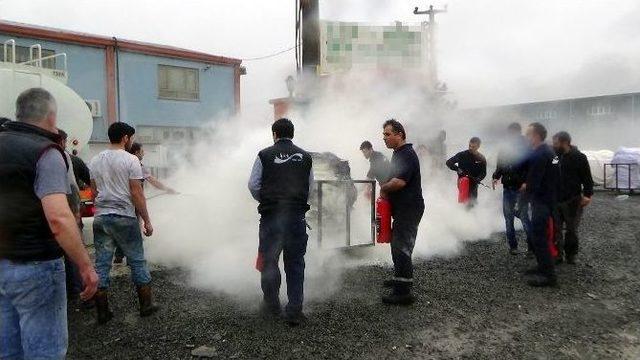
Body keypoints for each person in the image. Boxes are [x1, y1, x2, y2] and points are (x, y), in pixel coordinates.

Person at [0, 88, 98, 359]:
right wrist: (85, 267)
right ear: (51, 115)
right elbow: (58, 218)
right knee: (45, 351)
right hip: (37, 265)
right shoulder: (46, 152)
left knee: (7, 349)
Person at [89, 122, 159, 324]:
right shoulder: (131, 160)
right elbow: (137, 193)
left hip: (101, 217)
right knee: (137, 260)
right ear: (126, 138)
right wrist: (146, 220)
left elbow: (94, 192)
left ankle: (102, 312)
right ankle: (146, 306)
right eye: (132, 138)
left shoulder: (95, 160)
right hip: (124, 217)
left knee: (102, 264)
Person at [248, 118, 313, 326]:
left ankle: (271, 305)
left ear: (274, 134)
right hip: (296, 218)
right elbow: (310, 188)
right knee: (295, 264)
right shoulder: (305, 157)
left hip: (271, 218)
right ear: (292, 134)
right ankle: (294, 310)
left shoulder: (264, 155)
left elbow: (253, 185)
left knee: (269, 261)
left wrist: (267, 201)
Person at [379, 119, 424, 305]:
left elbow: (400, 181)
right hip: (403, 209)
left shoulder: (406, 154)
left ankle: (404, 293)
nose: (384, 138)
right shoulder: (398, 154)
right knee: (397, 245)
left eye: (388, 134)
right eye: (383, 135)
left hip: (409, 208)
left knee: (402, 246)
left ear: (400, 134)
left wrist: (384, 189)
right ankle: (400, 279)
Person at [113, 142, 177, 264]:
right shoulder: (137, 165)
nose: (144, 153)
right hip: (133, 203)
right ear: (136, 152)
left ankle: (119, 256)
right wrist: (167, 189)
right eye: (142, 151)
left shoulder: (121, 163)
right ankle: (136, 260)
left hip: (121, 203)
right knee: (136, 230)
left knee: (122, 229)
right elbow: (152, 180)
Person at [521, 122, 560, 287]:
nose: (526, 137)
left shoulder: (539, 155)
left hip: (541, 201)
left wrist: (523, 195)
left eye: (528, 134)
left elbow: (533, 182)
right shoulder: (551, 152)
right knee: (541, 235)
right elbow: (557, 175)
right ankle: (542, 266)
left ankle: (549, 276)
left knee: (539, 236)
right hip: (549, 199)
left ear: (535, 136)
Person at [552, 131, 594, 264]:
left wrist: (587, 195)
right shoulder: (556, 157)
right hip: (556, 199)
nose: (554, 145)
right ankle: (558, 255)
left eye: (556, 142)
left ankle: (571, 254)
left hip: (573, 200)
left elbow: (587, 178)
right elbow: (550, 174)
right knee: (556, 229)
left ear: (564, 142)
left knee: (571, 229)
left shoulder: (579, 157)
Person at [492, 123, 533, 256]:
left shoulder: (526, 147)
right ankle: (513, 246)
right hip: (507, 188)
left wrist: (526, 182)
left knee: (524, 217)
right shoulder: (505, 147)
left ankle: (532, 247)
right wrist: (495, 176)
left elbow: (531, 167)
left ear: (517, 133)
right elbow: (500, 164)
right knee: (508, 218)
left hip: (520, 189)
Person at [57, 129, 85, 299]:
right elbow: (76, 187)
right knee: (72, 252)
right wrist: (76, 213)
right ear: (63, 141)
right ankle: (77, 290)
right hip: (67, 214)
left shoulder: (33, 156)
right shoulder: (69, 159)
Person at [446, 137, 487, 205]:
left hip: (474, 183)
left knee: (472, 203)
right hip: (463, 182)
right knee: (463, 204)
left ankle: (471, 214)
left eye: (473, 147)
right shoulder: (462, 155)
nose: (470, 148)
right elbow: (448, 162)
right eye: (469, 146)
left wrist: (478, 178)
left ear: (478, 146)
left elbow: (483, 173)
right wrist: (457, 169)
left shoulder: (481, 158)